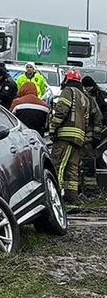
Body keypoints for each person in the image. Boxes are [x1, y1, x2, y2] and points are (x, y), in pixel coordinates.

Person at [49, 70, 103, 204]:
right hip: (79, 138)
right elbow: (86, 119)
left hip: (65, 136)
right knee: (72, 169)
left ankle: (52, 196)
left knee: (57, 165)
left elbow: (62, 110)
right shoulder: (85, 97)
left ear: (67, 80)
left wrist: (53, 128)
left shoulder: (69, 91)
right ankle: (72, 197)